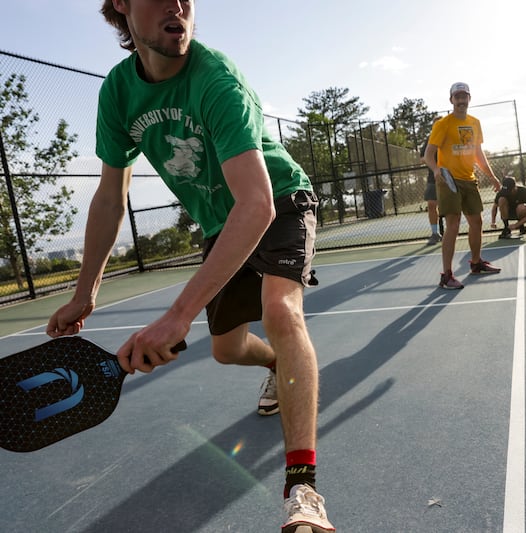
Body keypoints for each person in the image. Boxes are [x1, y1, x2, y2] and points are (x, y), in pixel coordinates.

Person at [46, 2, 334, 532]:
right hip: (219, 220)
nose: (178, 6)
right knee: (227, 350)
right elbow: (111, 198)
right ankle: (278, 366)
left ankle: (303, 491)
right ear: (121, 8)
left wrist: (177, 316)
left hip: (279, 197)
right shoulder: (118, 92)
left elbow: (258, 204)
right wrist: (86, 293)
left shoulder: (216, 78)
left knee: (281, 311)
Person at [423, 82, 502, 289]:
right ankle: (446, 275)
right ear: (451, 100)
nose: (461, 100)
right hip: (449, 181)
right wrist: (436, 170)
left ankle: (476, 264)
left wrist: (492, 176)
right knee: (454, 224)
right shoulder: (442, 124)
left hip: (469, 179)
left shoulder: (475, 123)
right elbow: (428, 155)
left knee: (476, 222)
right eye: (457, 97)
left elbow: (478, 153)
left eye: (464, 96)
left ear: (469, 98)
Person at [419, 116, 444, 245]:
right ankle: (435, 233)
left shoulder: (448, 137)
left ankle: (451, 231)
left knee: (451, 207)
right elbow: (422, 158)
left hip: (450, 177)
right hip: (433, 178)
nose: (437, 126)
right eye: (435, 125)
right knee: (431, 205)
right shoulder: (429, 140)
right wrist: (434, 165)